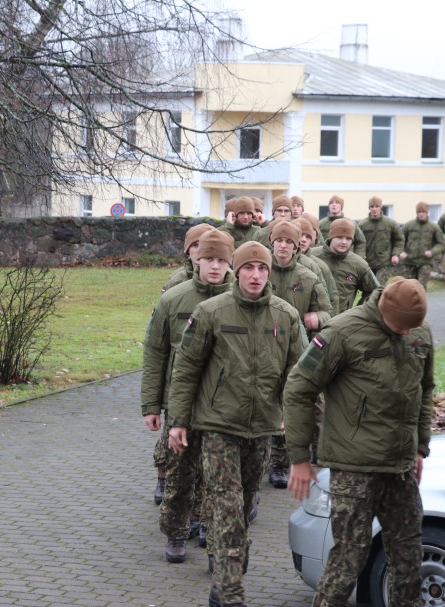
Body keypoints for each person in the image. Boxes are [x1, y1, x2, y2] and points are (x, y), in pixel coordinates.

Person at [167, 241, 306, 607]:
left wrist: (295, 419)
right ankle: (230, 592)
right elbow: (186, 369)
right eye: (248, 268)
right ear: (236, 270)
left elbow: (300, 375)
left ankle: (225, 574)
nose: (255, 275)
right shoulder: (211, 311)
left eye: (262, 269)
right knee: (226, 504)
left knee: (243, 506)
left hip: (262, 428)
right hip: (218, 425)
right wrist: (178, 420)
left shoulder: (286, 316)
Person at [284, 278, 435, 607]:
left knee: (409, 558)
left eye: (412, 327)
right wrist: (299, 457)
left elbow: (424, 390)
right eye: (401, 326)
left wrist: (420, 447)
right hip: (354, 467)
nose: (407, 332)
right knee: (348, 560)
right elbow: (298, 388)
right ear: (384, 311)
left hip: (399, 468)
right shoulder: (342, 332)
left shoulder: (419, 331)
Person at [142, 230, 235, 564]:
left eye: (221, 260)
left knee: (217, 476)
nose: (215, 266)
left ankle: (211, 532)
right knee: (181, 473)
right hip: (181, 400)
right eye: (209, 258)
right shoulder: (173, 298)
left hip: (224, 403)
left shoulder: (241, 299)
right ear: (196, 259)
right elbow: (155, 351)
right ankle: (177, 531)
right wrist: (152, 404)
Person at [266, 219, 332, 488]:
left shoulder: (308, 277)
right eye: (279, 241)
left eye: (288, 242)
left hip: (297, 348)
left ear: (296, 247)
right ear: (271, 243)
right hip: (263, 346)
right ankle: (268, 459)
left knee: (292, 402)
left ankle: (283, 461)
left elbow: (328, 311)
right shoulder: (260, 270)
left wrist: (317, 317)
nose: (283, 246)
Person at [309, 218, 379, 313]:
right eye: (339, 237)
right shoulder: (311, 256)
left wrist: (358, 311)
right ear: (331, 237)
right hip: (312, 317)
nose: (344, 242)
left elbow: (375, 291)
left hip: (341, 318)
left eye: (348, 239)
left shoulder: (358, 264)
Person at [399, 201, 445, 290]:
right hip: (409, 261)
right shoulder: (409, 225)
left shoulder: (433, 227)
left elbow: (441, 243)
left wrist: (432, 252)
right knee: (409, 287)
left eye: (423, 212)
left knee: (421, 287)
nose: (421, 214)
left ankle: (421, 299)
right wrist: (402, 251)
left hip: (425, 262)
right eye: (419, 212)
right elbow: (400, 240)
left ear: (427, 213)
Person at [358, 196, 403, 283]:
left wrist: (395, 254)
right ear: (369, 208)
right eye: (372, 207)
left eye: (377, 206)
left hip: (384, 263)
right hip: (368, 262)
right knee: (370, 286)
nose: (374, 209)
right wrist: (361, 255)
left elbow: (399, 240)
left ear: (381, 207)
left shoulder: (390, 223)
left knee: (379, 285)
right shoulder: (362, 225)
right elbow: (358, 242)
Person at [161, 222, 215, 294]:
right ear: (188, 249)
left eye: (206, 245)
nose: (200, 250)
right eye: (195, 245)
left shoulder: (227, 279)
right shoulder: (176, 281)